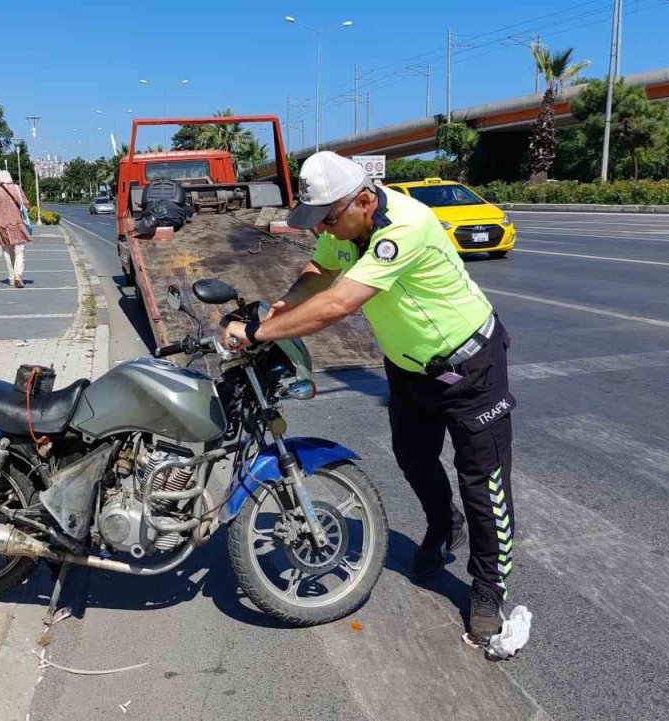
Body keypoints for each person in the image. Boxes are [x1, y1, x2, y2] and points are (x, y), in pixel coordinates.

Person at [220, 151, 517, 646]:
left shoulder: (404, 226)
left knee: (483, 483)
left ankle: (489, 587)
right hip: (408, 370)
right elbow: (321, 272)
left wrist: (257, 332)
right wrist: (281, 305)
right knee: (414, 459)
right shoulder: (348, 228)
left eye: (327, 221)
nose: (323, 233)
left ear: (362, 200)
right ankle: (444, 527)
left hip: (471, 368)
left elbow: (338, 304)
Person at [0, 169, 32, 288]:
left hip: (2, 225)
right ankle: (18, 275)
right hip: (17, 223)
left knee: (7, 251)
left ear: (0, 179)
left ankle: (11, 278)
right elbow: (26, 203)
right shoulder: (17, 188)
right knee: (19, 250)